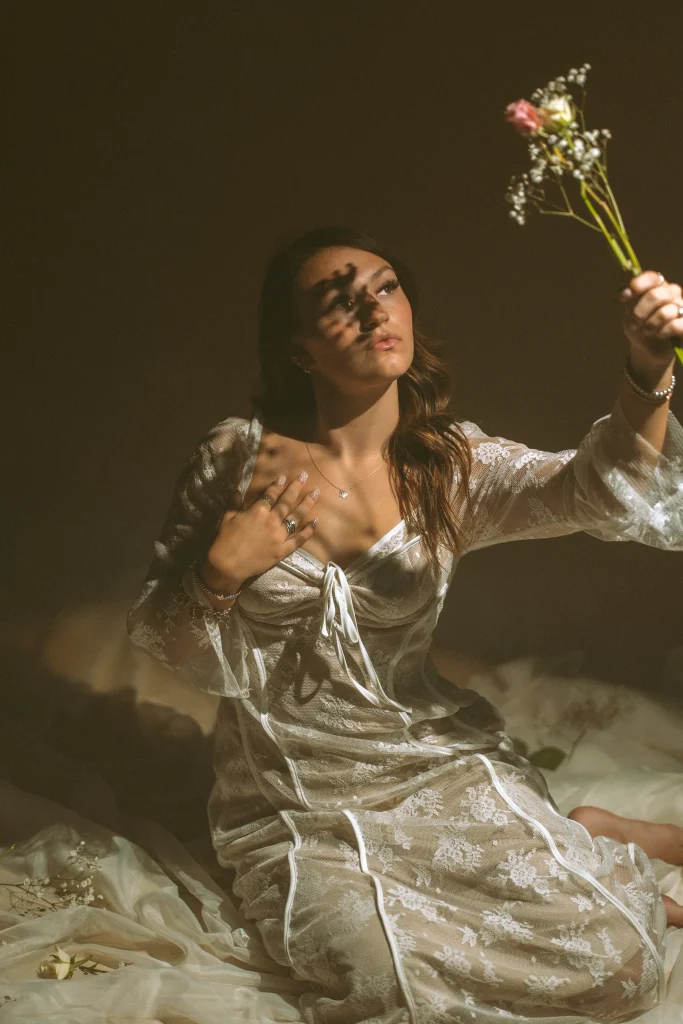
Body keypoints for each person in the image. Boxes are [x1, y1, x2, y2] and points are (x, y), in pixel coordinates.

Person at [127, 225, 683, 1023]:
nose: (370, 310)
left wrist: (646, 368)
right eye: (336, 300)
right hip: (296, 800)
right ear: (296, 349)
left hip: (430, 764)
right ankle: (574, 836)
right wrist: (220, 571)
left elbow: (600, 492)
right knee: (392, 986)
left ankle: (584, 836)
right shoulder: (235, 460)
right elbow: (164, 641)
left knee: (617, 961)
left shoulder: (449, 467)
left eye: (384, 288)